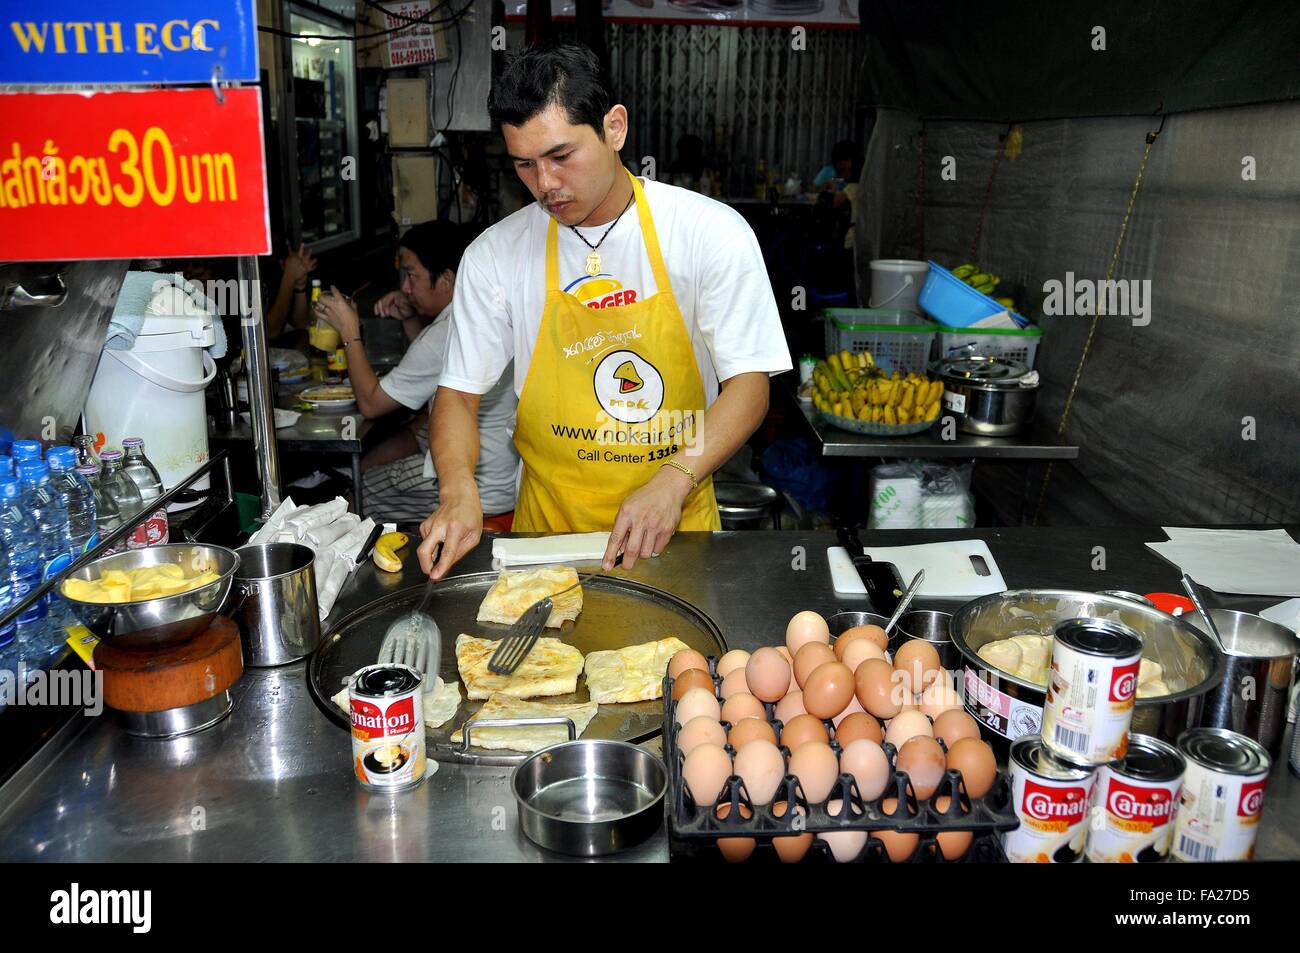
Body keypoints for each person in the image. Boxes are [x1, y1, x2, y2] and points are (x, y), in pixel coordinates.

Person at [416, 43, 792, 579]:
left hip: (676, 530)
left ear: (615, 128)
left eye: (560, 156)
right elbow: (456, 396)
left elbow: (750, 387)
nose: (544, 184)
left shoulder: (709, 233)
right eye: (524, 164)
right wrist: (457, 490)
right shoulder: (495, 255)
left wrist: (673, 479)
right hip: (546, 542)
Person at [313, 221, 519, 523]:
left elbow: (371, 404)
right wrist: (412, 322)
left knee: (356, 491)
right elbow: (437, 368)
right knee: (416, 430)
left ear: (446, 280)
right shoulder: (483, 312)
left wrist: (349, 332)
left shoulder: (445, 333)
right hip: (501, 471)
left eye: (412, 275)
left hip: (477, 489)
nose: (406, 288)